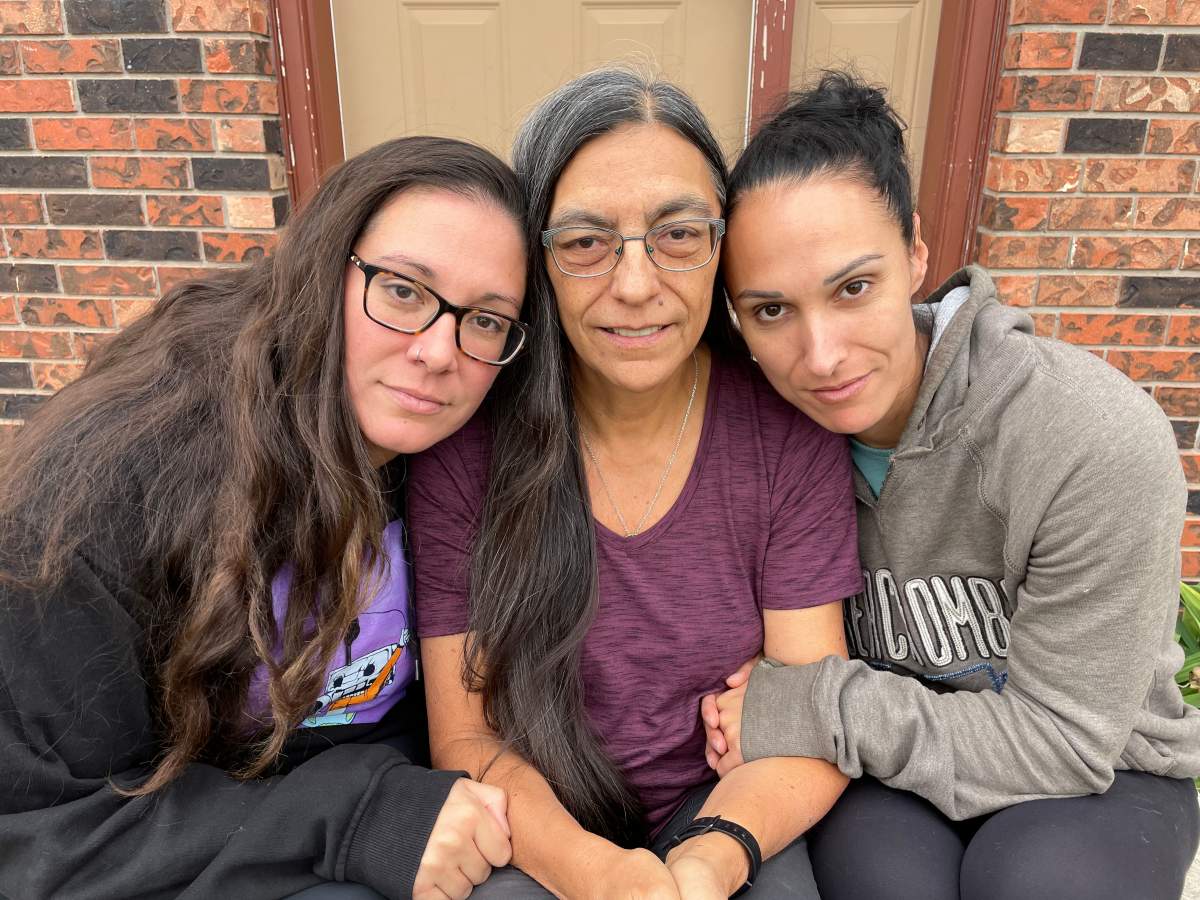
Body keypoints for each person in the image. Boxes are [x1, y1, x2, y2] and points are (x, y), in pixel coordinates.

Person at [703, 71, 1200, 900]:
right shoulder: (763, 446)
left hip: (1100, 772)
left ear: (916, 254)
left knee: (1037, 884)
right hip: (895, 774)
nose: (820, 355)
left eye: (853, 288)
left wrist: (819, 706)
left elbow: (1065, 741)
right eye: (771, 311)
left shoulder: (1087, 438)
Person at [0, 136, 533, 900]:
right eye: (404, 291)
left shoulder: (457, 456)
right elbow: (36, 846)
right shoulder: (100, 490)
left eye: (486, 320)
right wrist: (354, 814)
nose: (439, 351)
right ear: (321, 269)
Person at [407, 68, 860, 899]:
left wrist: (707, 863)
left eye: (679, 233)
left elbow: (812, 715)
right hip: (535, 816)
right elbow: (468, 737)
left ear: (723, 243)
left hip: (725, 806)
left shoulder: (781, 433)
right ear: (536, 258)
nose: (637, 284)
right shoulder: (467, 445)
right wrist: (602, 878)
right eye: (584, 242)